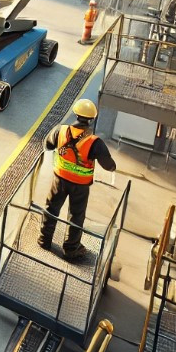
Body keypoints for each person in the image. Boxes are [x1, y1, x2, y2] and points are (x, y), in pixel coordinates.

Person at [39, 99, 116, 259]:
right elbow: (109, 166)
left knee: (51, 208)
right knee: (76, 215)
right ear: (92, 119)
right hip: (80, 186)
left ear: (76, 113)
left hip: (59, 179)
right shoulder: (94, 142)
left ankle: (44, 239)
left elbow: (47, 145)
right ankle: (71, 249)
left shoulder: (60, 131)